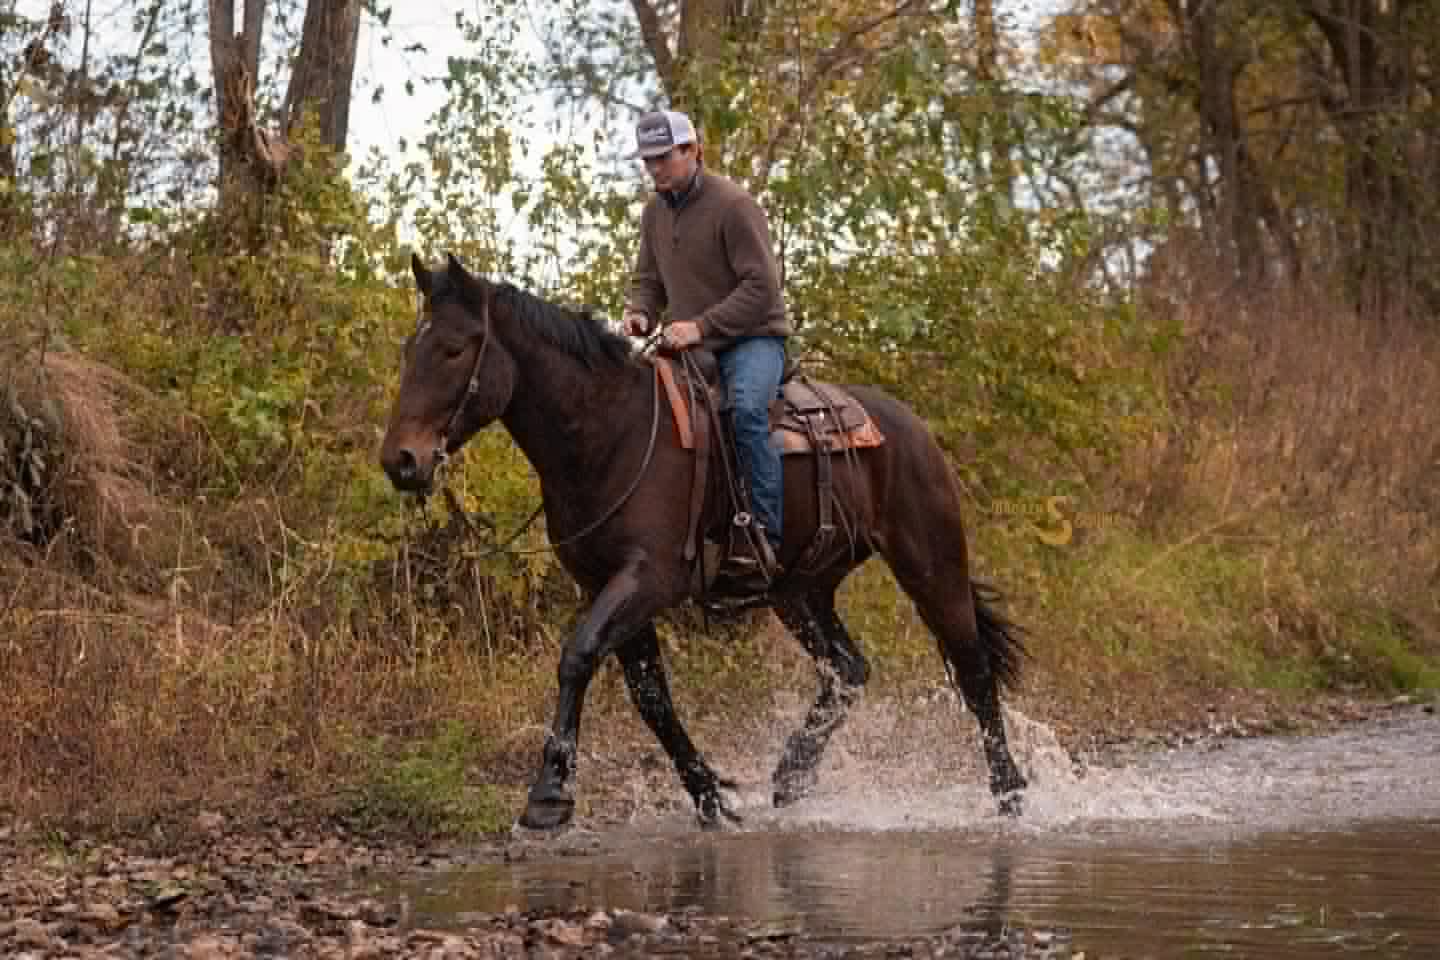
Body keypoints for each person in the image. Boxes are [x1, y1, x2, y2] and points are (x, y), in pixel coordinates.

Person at [621, 109, 793, 589]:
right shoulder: (654, 212)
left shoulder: (735, 205)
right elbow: (649, 281)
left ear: (692, 150)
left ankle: (763, 535)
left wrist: (701, 326)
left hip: (753, 338)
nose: (654, 169)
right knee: (648, 412)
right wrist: (640, 312)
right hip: (693, 344)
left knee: (744, 412)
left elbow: (762, 287)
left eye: (662, 157)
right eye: (647, 160)